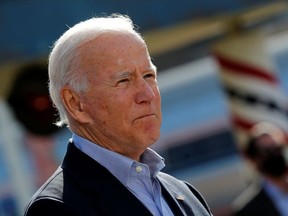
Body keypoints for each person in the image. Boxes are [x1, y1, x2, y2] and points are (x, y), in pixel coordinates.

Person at [24, 14, 212, 216]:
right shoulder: (55, 209)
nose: (148, 95)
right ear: (75, 103)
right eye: (124, 81)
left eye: (149, 76)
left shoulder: (185, 194)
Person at [231, 121, 288, 216]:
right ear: (254, 160)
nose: (274, 155)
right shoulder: (247, 210)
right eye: (267, 151)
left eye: (277, 149)